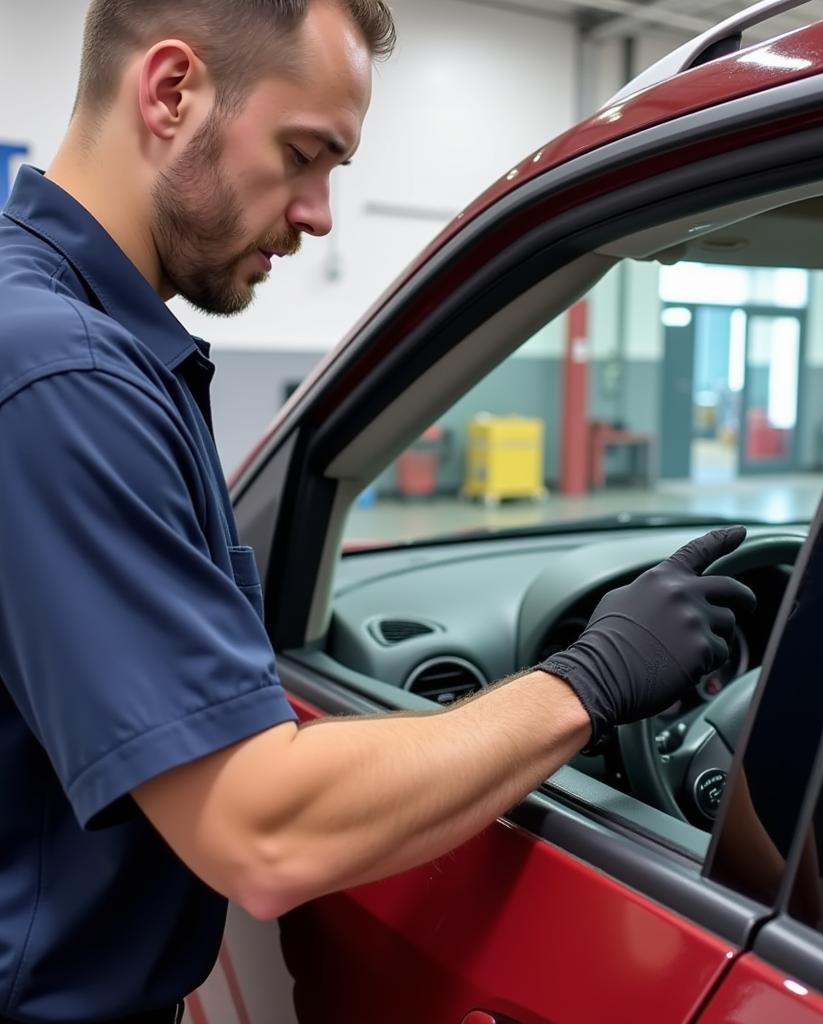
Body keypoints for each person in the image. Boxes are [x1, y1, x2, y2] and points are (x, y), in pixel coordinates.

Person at [0, 2, 757, 1020]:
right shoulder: (63, 376)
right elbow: (261, 832)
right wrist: (589, 677)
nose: (317, 214)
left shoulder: (72, 340)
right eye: (303, 154)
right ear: (171, 91)